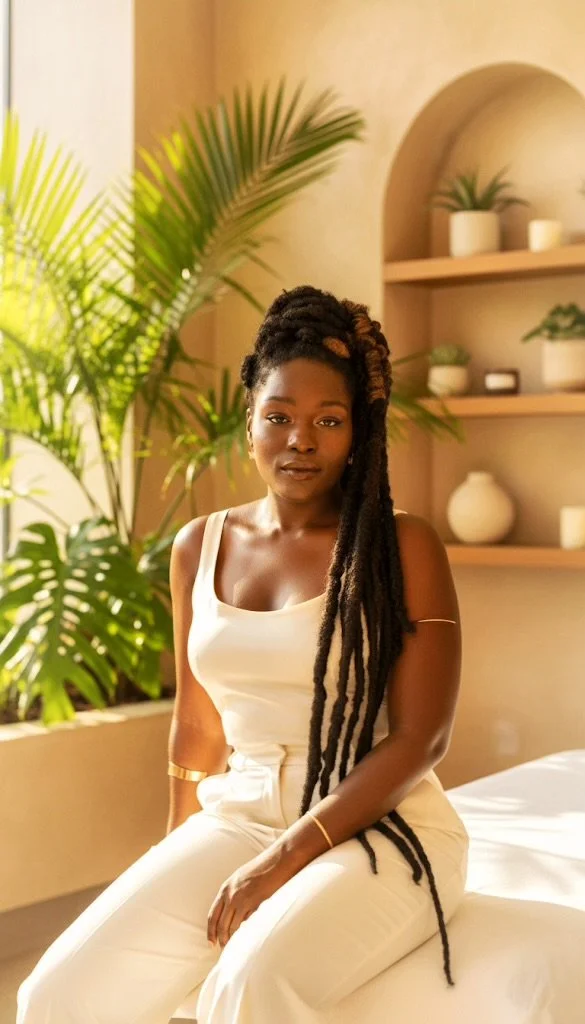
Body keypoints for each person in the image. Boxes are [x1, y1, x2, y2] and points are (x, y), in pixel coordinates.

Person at [17, 284, 469, 1024]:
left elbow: (423, 737)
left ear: (359, 432)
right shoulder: (200, 545)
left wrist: (283, 859)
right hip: (239, 814)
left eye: (329, 420)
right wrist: (170, 854)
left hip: (382, 825)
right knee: (55, 997)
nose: (301, 440)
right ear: (248, 421)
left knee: (247, 985)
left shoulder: (401, 546)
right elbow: (197, 732)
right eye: (280, 417)